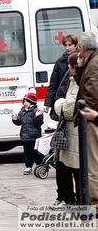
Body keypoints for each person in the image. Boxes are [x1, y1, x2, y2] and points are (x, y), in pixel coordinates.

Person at [72, 30, 98, 206]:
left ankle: (94, 201)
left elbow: (92, 95)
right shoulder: (91, 62)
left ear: (81, 47)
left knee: (92, 164)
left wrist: (87, 114)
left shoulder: (95, 64)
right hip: (91, 118)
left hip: (91, 120)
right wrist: (80, 68)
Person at [53, 52, 79, 205]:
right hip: (68, 131)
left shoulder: (77, 81)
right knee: (63, 165)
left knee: (73, 168)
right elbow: (56, 90)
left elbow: (68, 109)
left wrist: (58, 104)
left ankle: (74, 199)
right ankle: (66, 197)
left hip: (73, 131)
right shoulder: (70, 79)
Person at [44, 34, 78, 119]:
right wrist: (48, 104)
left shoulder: (80, 60)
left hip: (75, 97)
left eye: (70, 45)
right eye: (65, 45)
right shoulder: (60, 62)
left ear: (76, 45)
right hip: (62, 98)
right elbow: (53, 84)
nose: (67, 48)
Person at [11, 92, 44, 175]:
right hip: (25, 136)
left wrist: (37, 117)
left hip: (34, 136)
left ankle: (40, 165)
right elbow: (19, 122)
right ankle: (28, 166)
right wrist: (15, 120)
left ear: (32, 103)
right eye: (24, 101)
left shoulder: (36, 111)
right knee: (27, 152)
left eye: (27, 101)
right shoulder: (22, 112)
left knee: (36, 151)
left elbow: (39, 123)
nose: (25, 103)